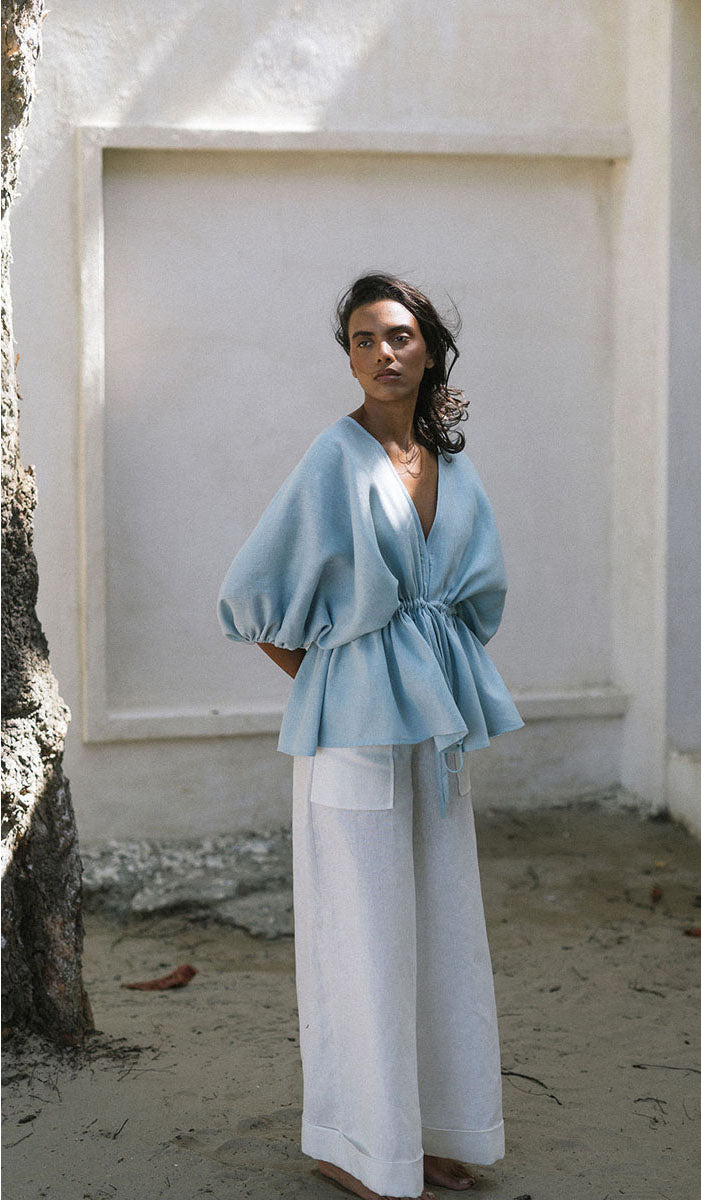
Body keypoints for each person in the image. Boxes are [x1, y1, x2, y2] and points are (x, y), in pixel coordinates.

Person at [217, 273, 524, 1200]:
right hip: (354, 734)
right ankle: (353, 1147)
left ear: (429, 348)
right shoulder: (333, 459)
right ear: (348, 357)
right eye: (362, 340)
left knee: (440, 930)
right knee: (360, 938)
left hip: (435, 729)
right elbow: (249, 595)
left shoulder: (450, 464)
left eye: (397, 336)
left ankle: (421, 1135)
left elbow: (473, 602)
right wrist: (336, 684)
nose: (382, 353)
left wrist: (422, 675)